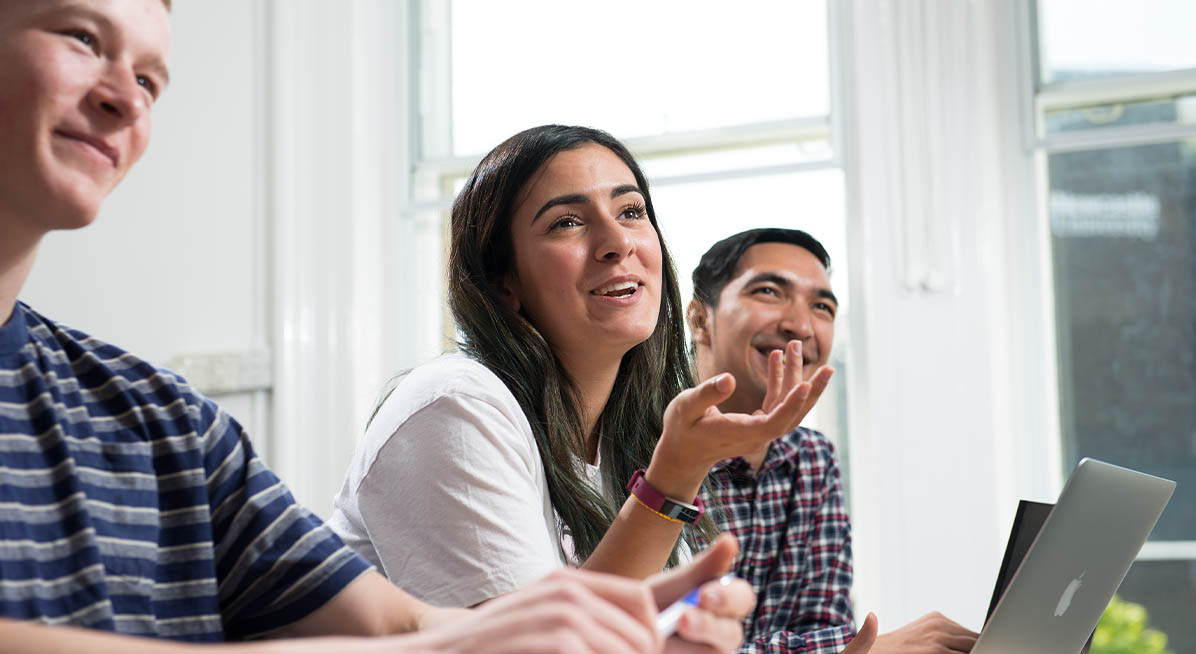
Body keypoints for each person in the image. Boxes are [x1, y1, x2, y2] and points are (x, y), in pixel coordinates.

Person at [0, 1, 784, 652]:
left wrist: (603, 631)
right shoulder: (455, 403)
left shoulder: (166, 425)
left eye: (149, 78)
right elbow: (429, 642)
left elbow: (404, 622)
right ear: (501, 280)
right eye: (80, 38)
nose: (127, 98)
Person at [328, 126, 831, 610]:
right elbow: (542, 646)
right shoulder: (455, 409)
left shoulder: (630, 434)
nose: (618, 242)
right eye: (566, 221)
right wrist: (672, 478)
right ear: (504, 282)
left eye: (631, 211)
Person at [688, 228, 978, 653]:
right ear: (700, 320)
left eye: (821, 306)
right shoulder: (655, 457)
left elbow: (824, 625)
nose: (800, 326)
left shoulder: (813, 458)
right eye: (768, 292)